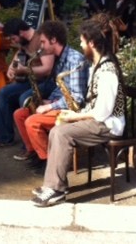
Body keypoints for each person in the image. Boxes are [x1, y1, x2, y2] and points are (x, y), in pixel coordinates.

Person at [31, 13, 125, 207]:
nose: (81, 46)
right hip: (98, 120)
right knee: (58, 129)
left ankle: (56, 189)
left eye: (82, 42)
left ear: (91, 43)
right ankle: (53, 185)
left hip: (108, 125)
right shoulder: (96, 64)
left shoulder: (107, 72)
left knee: (61, 133)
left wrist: (76, 116)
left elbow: (102, 113)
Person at [13, 20, 88, 171]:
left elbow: (77, 99)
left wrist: (50, 105)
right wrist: (46, 100)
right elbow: (59, 88)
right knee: (19, 114)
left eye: (43, 42)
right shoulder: (59, 58)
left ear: (53, 40)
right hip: (58, 103)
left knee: (32, 122)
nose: (41, 47)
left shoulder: (74, 59)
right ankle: (35, 152)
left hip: (70, 110)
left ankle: (48, 162)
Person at [0, 18, 55, 149]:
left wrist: (25, 70)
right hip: (30, 80)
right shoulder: (24, 41)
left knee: (24, 99)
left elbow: (47, 69)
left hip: (46, 82)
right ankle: (5, 137)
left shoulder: (40, 40)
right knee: (3, 93)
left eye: (13, 38)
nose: (12, 41)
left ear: (21, 32)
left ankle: (30, 146)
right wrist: (12, 66)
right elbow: (20, 52)